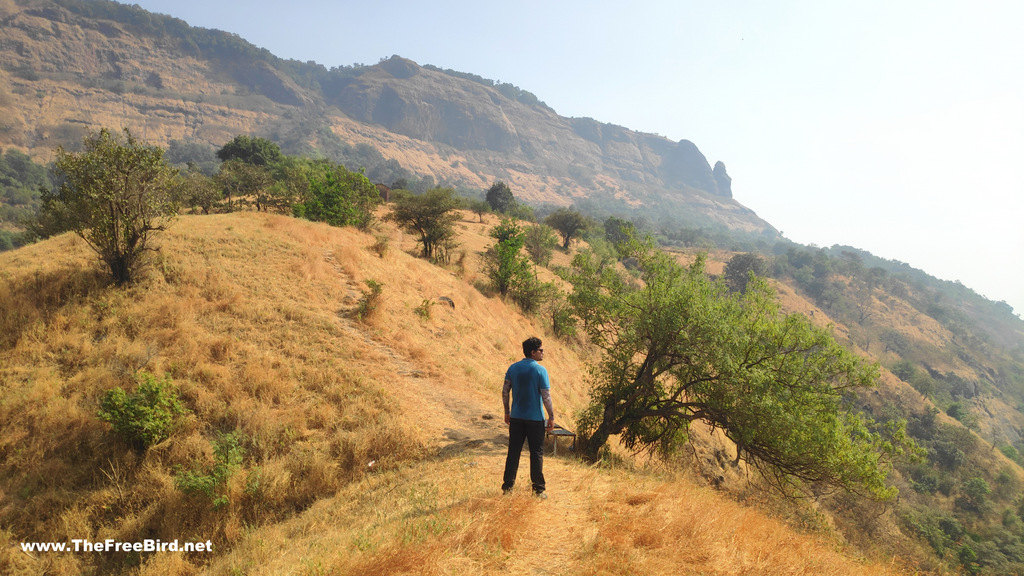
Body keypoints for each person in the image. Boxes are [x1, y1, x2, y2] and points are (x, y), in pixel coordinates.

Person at [501, 336, 555, 497]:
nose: (543, 352)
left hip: (516, 418)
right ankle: (538, 489)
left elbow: (505, 391)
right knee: (536, 453)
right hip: (535, 419)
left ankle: (507, 487)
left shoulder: (513, 368)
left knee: (513, 452)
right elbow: (546, 396)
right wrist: (551, 416)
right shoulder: (540, 370)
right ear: (533, 352)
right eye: (540, 350)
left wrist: (507, 412)